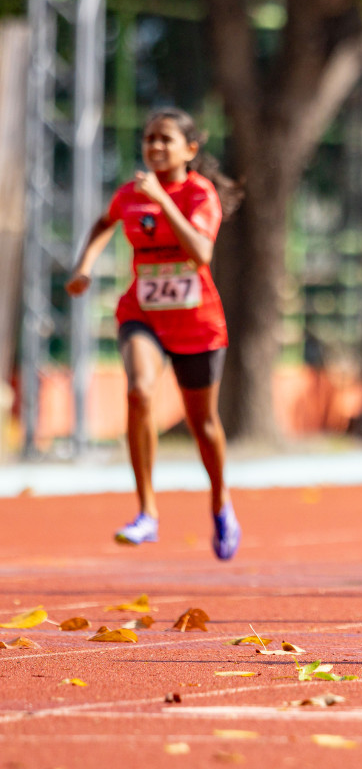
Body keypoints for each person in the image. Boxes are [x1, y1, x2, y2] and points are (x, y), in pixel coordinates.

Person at [65, 108, 242, 559]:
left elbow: (201, 253)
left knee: (203, 423)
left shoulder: (200, 195)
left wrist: (163, 202)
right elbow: (105, 223)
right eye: (149, 139)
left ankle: (220, 502)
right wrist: (84, 267)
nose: (155, 147)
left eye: (165, 139)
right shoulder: (130, 194)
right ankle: (147, 512)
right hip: (141, 313)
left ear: (190, 149)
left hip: (197, 323)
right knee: (140, 391)